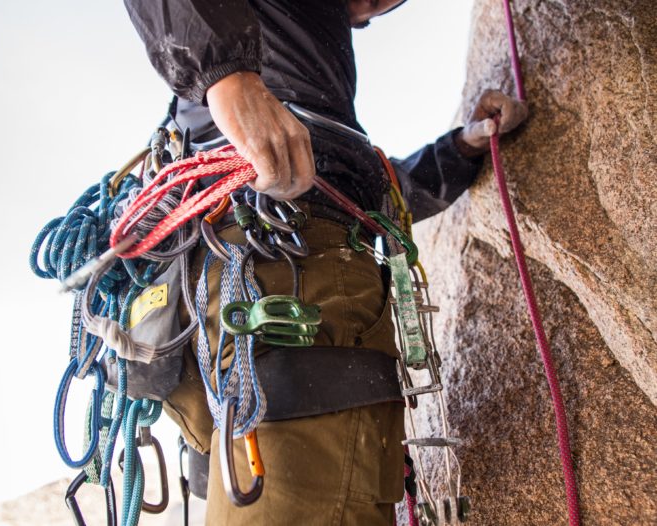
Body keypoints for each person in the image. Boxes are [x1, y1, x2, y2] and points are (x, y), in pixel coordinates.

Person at [124, 1, 528, 524]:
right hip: (280, 270)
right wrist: (225, 77)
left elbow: (356, 188)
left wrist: (459, 149)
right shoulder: (256, 56)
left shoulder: (308, 58)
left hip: (220, 276)